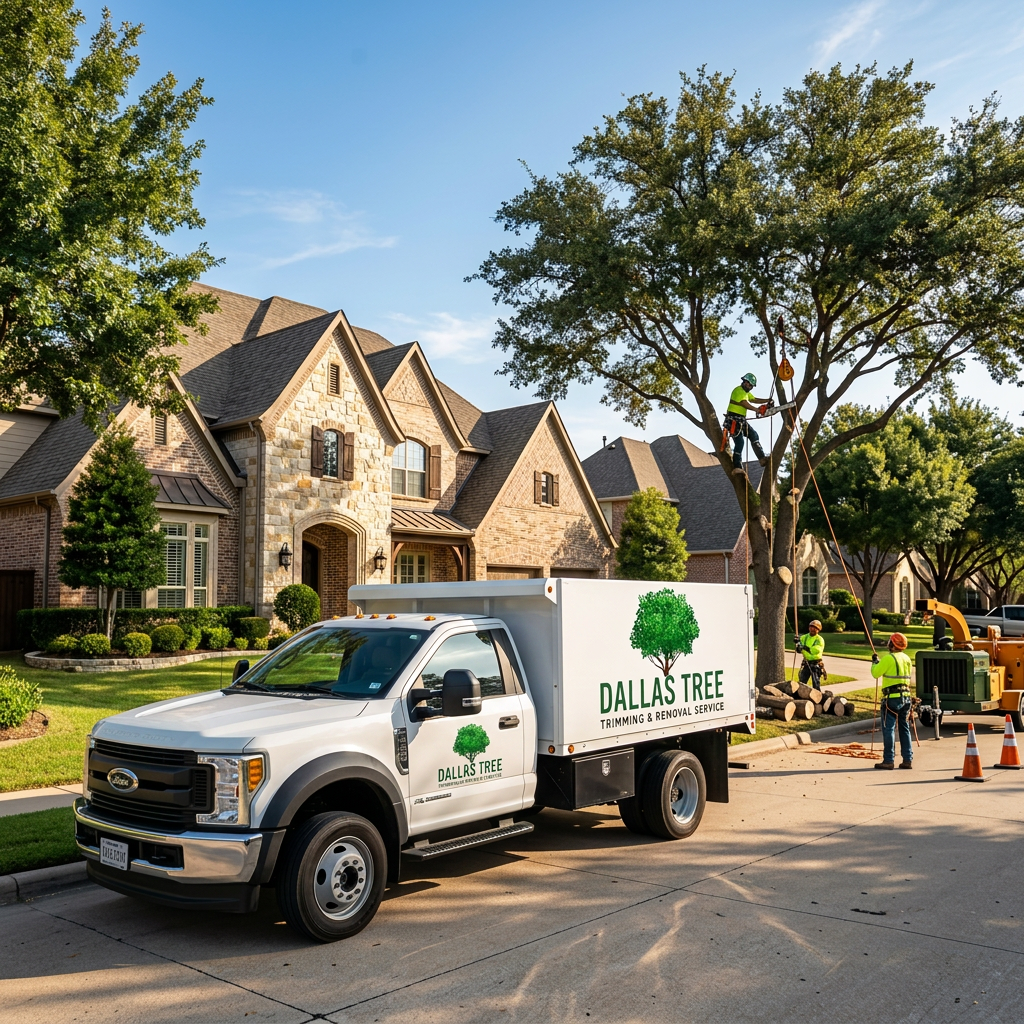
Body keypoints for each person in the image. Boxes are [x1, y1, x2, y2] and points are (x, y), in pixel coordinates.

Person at [871, 632, 914, 770]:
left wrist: (874, 662)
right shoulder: (907, 658)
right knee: (904, 728)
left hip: (891, 699)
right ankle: (907, 759)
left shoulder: (888, 659)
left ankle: (888, 760)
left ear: (892, 644)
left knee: (888, 729)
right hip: (906, 698)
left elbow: (875, 673)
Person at [724, 373, 771, 471]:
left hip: (741, 420)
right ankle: (737, 466)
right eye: (749, 385)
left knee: (754, 435)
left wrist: (768, 400)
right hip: (733, 420)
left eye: (751, 386)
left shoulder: (746, 393)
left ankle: (762, 458)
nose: (750, 387)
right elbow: (744, 403)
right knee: (740, 442)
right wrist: (757, 410)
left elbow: (754, 399)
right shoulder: (738, 390)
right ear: (745, 382)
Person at [797, 619, 826, 689]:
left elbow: (815, 650)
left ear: (818, 630)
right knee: (802, 682)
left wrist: (804, 647)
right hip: (806, 663)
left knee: (816, 683)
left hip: (815, 664)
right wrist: (797, 643)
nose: (812, 629)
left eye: (815, 628)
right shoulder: (804, 637)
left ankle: (817, 696)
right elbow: (799, 647)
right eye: (811, 627)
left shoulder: (819, 639)